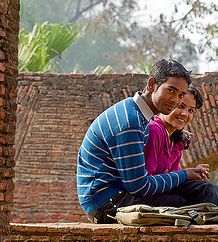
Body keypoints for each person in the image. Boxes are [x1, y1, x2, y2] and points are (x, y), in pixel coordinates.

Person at [77, 59, 207, 224]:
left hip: (120, 194)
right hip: (105, 202)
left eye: (180, 95)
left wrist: (186, 176)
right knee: (190, 206)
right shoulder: (130, 121)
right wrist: (184, 175)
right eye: (171, 91)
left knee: (203, 191)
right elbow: (139, 186)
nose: (175, 100)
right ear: (152, 85)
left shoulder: (139, 115)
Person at [143, 84, 218, 207]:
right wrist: (185, 174)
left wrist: (193, 174)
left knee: (209, 189)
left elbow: (174, 179)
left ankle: (216, 221)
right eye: (181, 107)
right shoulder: (154, 131)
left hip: (163, 191)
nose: (185, 114)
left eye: (191, 110)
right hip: (146, 194)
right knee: (186, 203)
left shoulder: (177, 140)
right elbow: (146, 181)